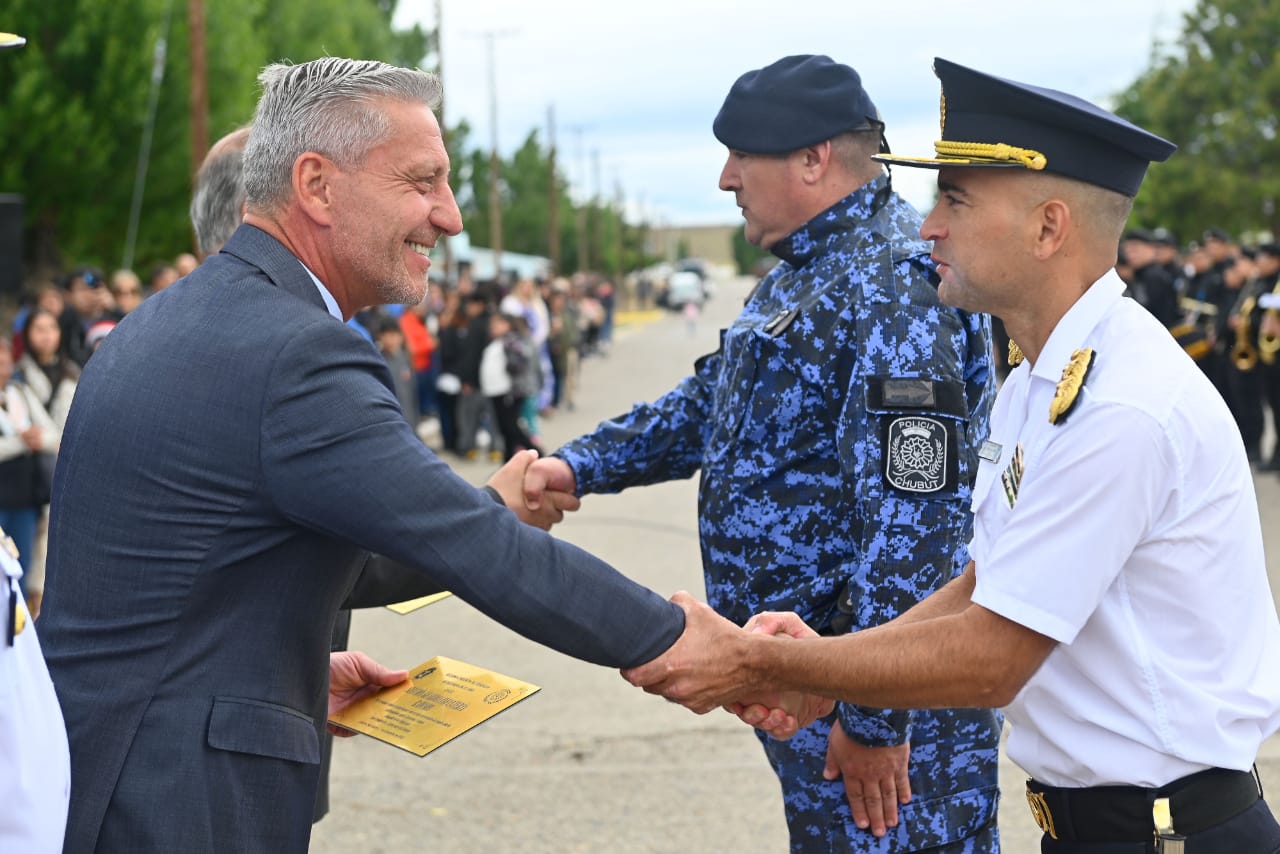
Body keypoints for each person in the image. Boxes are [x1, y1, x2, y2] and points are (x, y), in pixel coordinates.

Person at [37, 57, 803, 853]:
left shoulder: (178, 322)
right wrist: (694, 645)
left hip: (117, 774)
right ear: (317, 185)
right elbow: (480, 553)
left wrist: (283, 666)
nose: (451, 216)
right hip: (175, 803)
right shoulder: (294, 352)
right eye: (423, 182)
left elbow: (244, 560)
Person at [625, 57, 1280, 853]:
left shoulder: (1121, 407)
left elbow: (991, 659)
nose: (929, 224)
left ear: (1048, 227)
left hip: (1165, 833)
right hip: (1097, 826)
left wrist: (764, 664)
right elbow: (982, 581)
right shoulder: (1036, 381)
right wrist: (812, 666)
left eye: (955, 200)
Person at [526, 54, 998, 853]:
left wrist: (878, 721)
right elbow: (710, 402)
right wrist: (575, 466)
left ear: (814, 159)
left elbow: (916, 524)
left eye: (742, 154)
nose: (724, 179)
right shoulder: (805, 274)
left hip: (875, 711)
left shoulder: (891, 287)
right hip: (811, 692)